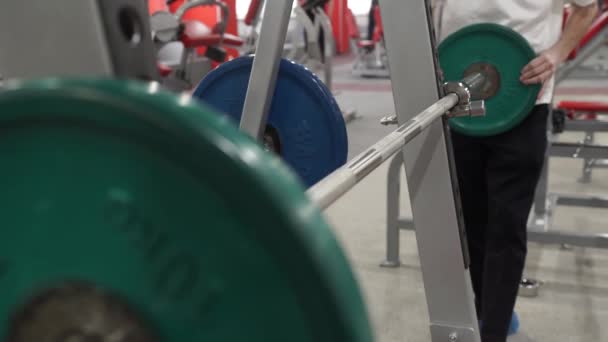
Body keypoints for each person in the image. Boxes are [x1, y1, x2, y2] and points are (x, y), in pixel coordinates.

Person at [435, 1, 598, 341]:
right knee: (471, 221)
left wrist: (556, 54)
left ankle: (493, 330)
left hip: (521, 103)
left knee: (506, 225)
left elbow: (587, 8)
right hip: (458, 103)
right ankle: (489, 309)